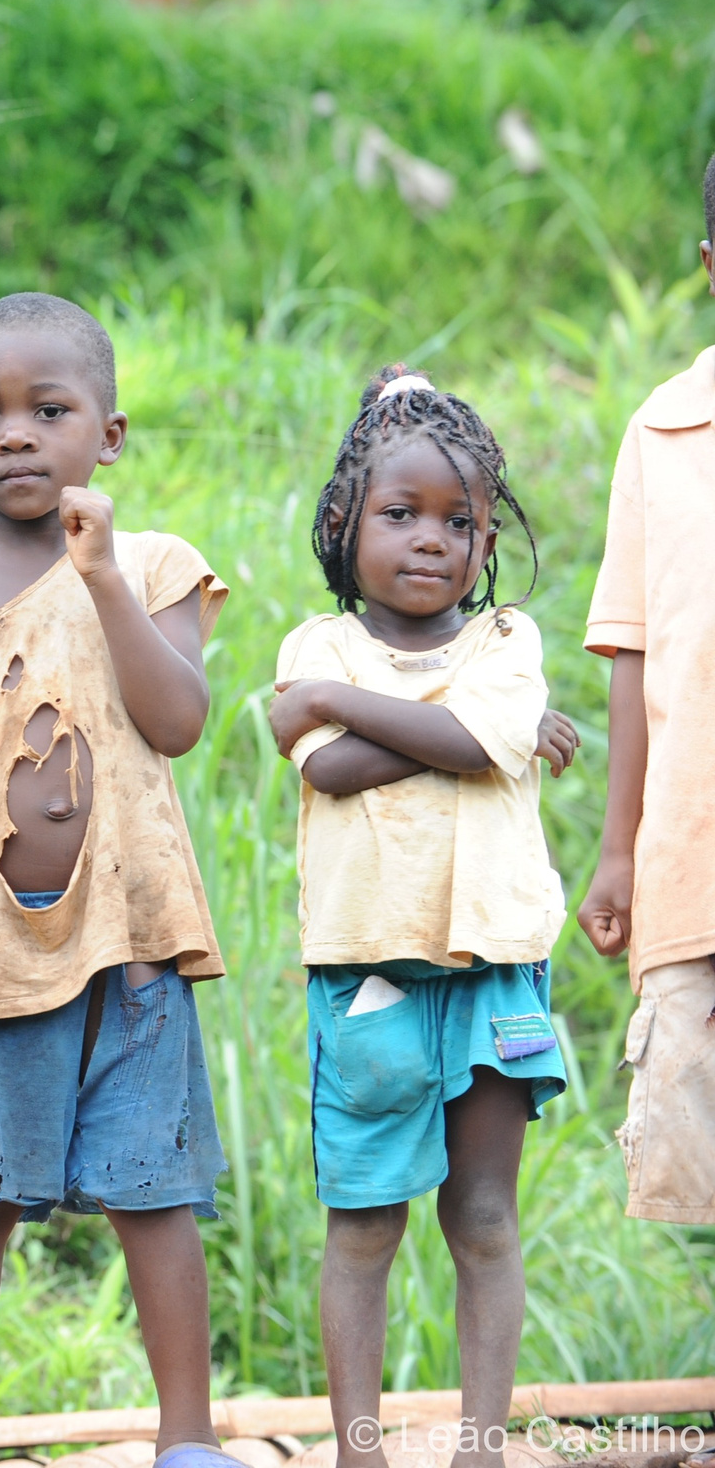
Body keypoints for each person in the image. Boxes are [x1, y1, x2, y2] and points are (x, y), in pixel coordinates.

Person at [0, 293, 232, 1468]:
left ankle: (186, 1438)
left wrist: (103, 576)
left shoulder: (155, 567)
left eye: (48, 411)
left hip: (132, 946)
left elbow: (175, 721)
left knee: (151, 1190)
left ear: (107, 436)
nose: (14, 434)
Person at [268, 366, 580, 1468]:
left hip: (495, 970)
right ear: (344, 525)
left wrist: (345, 711)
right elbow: (333, 771)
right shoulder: (317, 646)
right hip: (367, 977)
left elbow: (426, 739)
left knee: (483, 1219)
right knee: (364, 1228)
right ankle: (359, 1453)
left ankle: (479, 1450)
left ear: (487, 537)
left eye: (459, 521)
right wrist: (480, 735)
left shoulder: (505, 640)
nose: (431, 541)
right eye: (400, 514)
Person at [577, 153, 715, 1231]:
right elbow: (633, 654)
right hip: (691, 857)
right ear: (709, 266)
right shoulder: (663, 432)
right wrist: (618, 848)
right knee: (695, 1155)